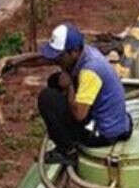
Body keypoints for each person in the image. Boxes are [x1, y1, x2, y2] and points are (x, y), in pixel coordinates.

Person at [37, 22, 131, 165]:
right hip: (119, 124)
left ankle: (67, 151)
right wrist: (14, 62)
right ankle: (64, 131)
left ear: (73, 52)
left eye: (59, 56)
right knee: (55, 80)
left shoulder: (90, 71)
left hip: (104, 134)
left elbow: (79, 115)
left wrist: (69, 87)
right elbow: (43, 59)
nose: (56, 60)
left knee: (47, 98)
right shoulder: (87, 52)